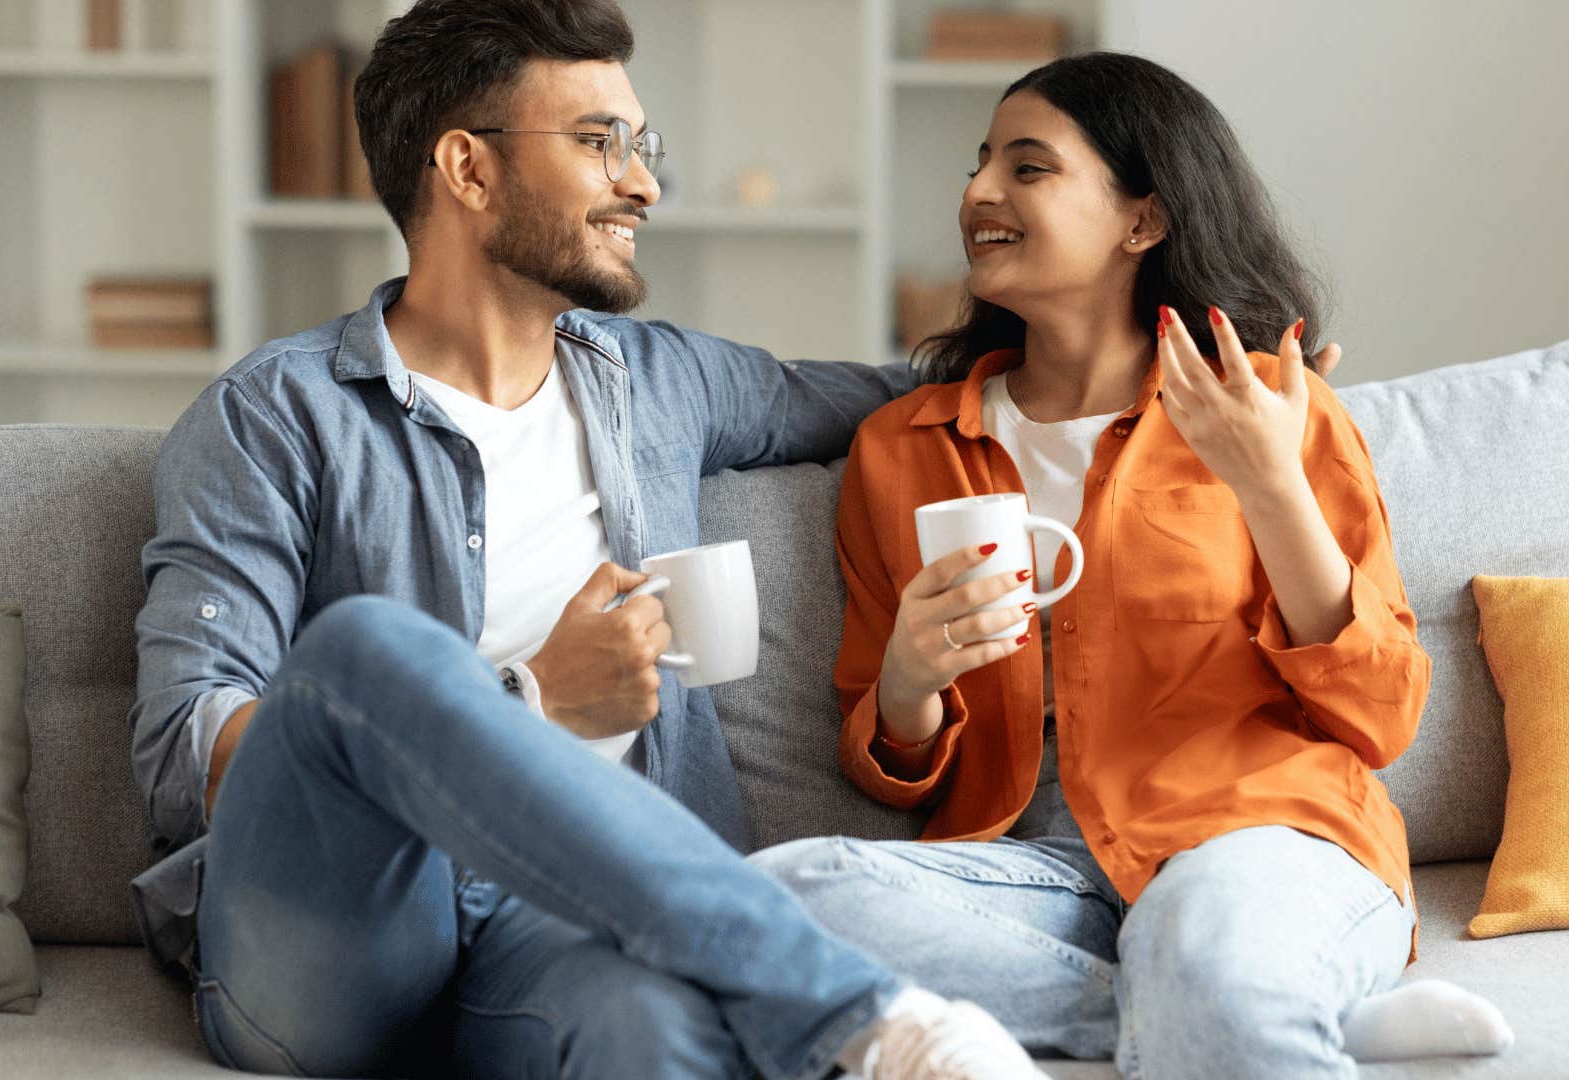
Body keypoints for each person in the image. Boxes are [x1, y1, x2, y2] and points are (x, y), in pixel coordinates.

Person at [127, 1, 1053, 1077]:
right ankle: (874, 1022)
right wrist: (533, 700)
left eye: (641, 145)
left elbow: (912, 396)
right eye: (598, 142)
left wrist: (1154, 334)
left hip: (568, 926)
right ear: (468, 170)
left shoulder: (661, 381)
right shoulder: (276, 414)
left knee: (654, 1035)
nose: (646, 184)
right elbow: (182, 750)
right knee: (365, 651)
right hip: (337, 939)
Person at [749, 52, 1517, 1079]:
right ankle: (1279, 1003)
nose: (977, 191)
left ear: (1141, 220)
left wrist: (1270, 484)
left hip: (1252, 831)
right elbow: (892, 764)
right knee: (765, 899)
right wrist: (909, 678)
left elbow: (1381, 718)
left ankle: (1244, 988)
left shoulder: (1272, 413)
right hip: (1032, 865)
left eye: (1028, 168)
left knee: (1212, 948)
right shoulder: (903, 448)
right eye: (980, 164)